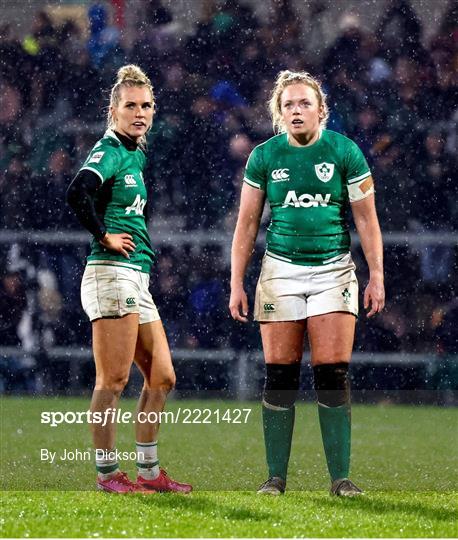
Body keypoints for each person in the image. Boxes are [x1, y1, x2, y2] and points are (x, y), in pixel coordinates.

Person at [229, 70, 384, 496]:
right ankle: (275, 477)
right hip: (280, 272)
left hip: (334, 270)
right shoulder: (264, 156)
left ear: (321, 110)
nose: (296, 111)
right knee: (280, 376)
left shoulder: (345, 151)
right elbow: (246, 225)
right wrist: (236, 283)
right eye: (288, 105)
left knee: (332, 374)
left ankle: (341, 479)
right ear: (278, 113)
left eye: (304, 104)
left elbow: (366, 219)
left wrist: (377, 276)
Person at [66, 65, 192, 494]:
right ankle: (107, 475)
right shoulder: (110, 150)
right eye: (131, 106)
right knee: (113, 381)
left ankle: (150, 472)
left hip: (135, 277)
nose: (140, 113)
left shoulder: (135, 151)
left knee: (162, 378)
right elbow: (77, 191)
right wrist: (103, 235)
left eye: (146, 105)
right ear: (113, 110)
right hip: (110, 274)